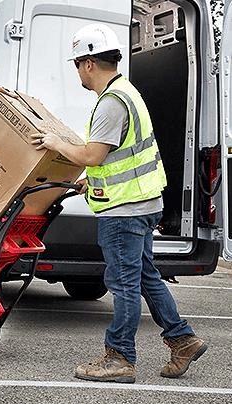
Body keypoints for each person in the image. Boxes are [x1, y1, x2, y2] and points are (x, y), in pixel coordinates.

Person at [31, 23, 207, 384]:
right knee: (144, 276)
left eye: (77, 65)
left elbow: (93, 155)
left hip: (124, 211)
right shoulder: (127, 91)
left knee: (123, 283)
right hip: (143, 202)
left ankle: (120, 358)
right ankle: (182, 340)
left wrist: (54, 142)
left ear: (88, 64)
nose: (78, 73)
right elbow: (117, 157)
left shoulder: (111, 103)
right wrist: (91, 182)